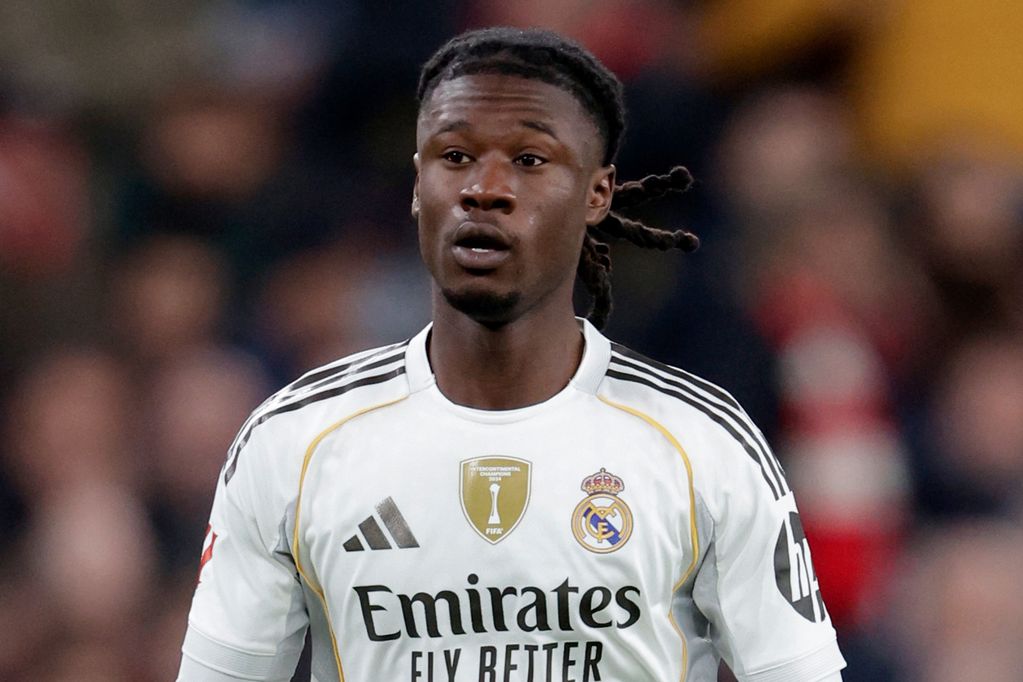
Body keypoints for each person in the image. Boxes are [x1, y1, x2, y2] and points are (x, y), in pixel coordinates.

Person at [178, 27, 846, 682]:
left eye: (529, 160)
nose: (484, 188)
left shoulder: (701, 443)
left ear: (596, 194)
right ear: (417, 185)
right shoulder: (294, 442)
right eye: (454, 156)